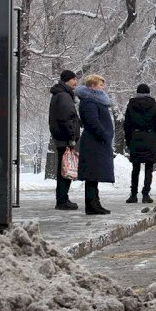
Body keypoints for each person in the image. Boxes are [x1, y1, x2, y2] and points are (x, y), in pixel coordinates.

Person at [74, 74, 114, 215]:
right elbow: (92, 122)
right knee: (92, 174)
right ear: (92, 86)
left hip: (97, 141)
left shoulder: (95, 101)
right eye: (100, 85)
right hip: (93, 142)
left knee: (94, 175)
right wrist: (104, 134)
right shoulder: (89, 102)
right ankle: (92, 205)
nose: (103, 87)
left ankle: (95, 204)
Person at [124, 84, 156, 203]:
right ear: (149, 92)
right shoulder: (153, 105)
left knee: (135, 167)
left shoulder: (131, 105)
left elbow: (127, 124)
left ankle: (133, 194)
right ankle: (146, 194)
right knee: (148, 167)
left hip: (136, 137)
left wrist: (128, 140)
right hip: (150, 137)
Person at [49, 70, 81, 210]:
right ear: (67, 80)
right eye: (74, 79)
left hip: (60, 137)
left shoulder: (60, 95)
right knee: (65, 169)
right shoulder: (64, 96)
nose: (76, 83)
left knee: (63, 169)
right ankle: (62, 200)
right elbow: (66, 118)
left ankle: (62, 198)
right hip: (65, 139)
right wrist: (72, 138)